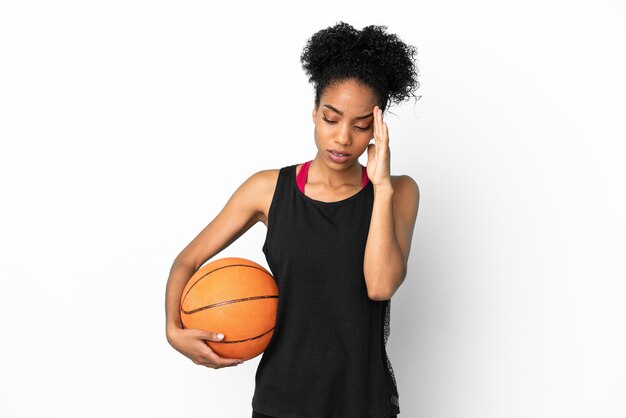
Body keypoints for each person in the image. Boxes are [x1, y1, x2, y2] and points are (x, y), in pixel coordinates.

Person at [165, 21, 420, 418]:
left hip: (363, 401)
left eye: (360, 126)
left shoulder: (399, 192)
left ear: (378, 128)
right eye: (331, 119)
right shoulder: (267, 189)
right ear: (314, 112)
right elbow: (187, 260)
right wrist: (173, 332)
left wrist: (381, 187)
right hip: (282, 401)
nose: (342, 137)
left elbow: (380, 285)